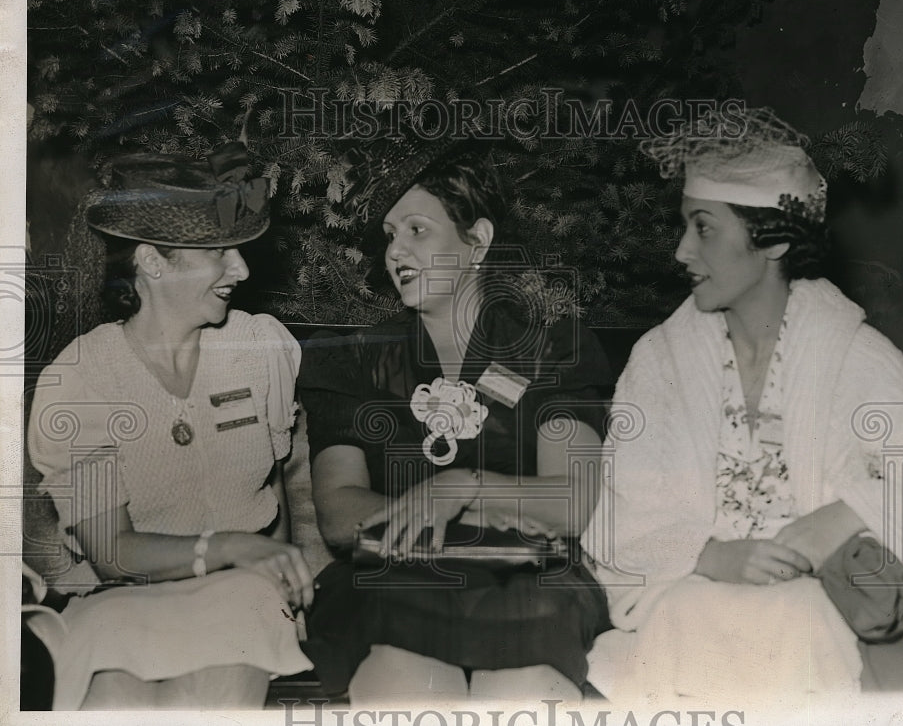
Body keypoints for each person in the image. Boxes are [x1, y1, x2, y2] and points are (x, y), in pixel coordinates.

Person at [581, 108, 903, 704]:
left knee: (795, 619)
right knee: (690, 618)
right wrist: (709, 555)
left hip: (815, 612)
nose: (682, 250)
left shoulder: (848, 353)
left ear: (775, 240)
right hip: (689, 598)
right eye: (685, 226)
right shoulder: (659, 360)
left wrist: (845, 515)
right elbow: (621, 512)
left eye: (704, 228)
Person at [298, 136, 612, 703]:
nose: (396, 251)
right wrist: (475, 512)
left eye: (417, 230)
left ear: (478, 241)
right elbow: (341, 511)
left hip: (526, 582)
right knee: (404, 682)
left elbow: (572, 502)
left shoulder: (552, 349)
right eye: (390, 236)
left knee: (526, 684)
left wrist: (462, 488)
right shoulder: (351, 358)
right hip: (395, 580)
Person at [27, 147, 314, 709]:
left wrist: (284, 581)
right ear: (152, 263)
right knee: (116, 697)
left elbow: (275, 493)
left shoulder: (262, 348)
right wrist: (231, 546)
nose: (242, 270)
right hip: (124, 598)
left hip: (245, 596)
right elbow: (109, 550)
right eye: (219, 252)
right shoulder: (83, 378)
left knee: (207, 693)